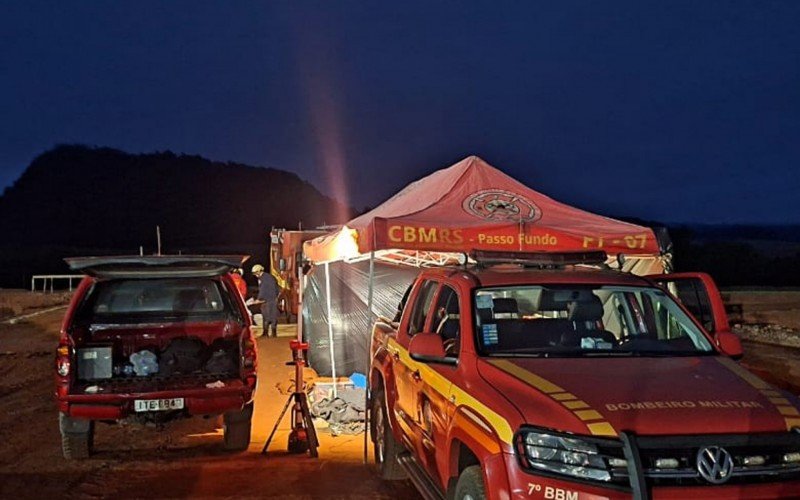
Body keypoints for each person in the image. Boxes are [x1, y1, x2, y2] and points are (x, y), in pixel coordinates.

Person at [252, 264, 279, 337]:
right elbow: (277, 288)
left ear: (259, 271)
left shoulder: (262, 279)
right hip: (273, 299)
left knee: (266, 316)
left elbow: (262, 290)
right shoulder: (271, 277)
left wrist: (258, 299)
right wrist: (276, 296)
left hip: (265, 301)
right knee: (273, 316)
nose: (255, 275)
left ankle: (265, 333)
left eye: (255, 273)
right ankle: (274, 333)